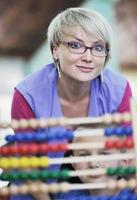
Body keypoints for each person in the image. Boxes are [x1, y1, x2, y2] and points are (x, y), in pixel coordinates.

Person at [10, 7, 132, 200]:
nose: (88, 57)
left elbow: (129, 157)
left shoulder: (119, 89)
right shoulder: (27, 94)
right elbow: (29, 168)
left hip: (95, 186)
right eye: (76, 45)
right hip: (38, 185)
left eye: (98, 48)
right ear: (55, 50)